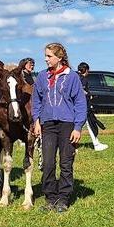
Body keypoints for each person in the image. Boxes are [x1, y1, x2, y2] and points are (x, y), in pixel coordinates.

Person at [32, 43, 87, 213]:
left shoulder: (72, 77)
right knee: (48, 163)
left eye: (49, 56)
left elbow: (80, 102)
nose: (46, 59)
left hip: (67, 125)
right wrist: (36, 121)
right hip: (48, 125)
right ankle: (50, 197)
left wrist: (77, 127)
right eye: (46, 56)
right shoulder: (42, 76)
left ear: (59, 57)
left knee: (65, 162)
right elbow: (36, 100)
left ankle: (63, 198)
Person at [77, 62, 108, 151]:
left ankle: (95, 143)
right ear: (86, 70)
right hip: (83, 106)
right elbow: (82, 91)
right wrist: (88, 95)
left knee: (80, 125)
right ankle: (96, 144)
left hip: (77, 106)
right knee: (90, 125)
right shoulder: (83, 79)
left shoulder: (75, 78)